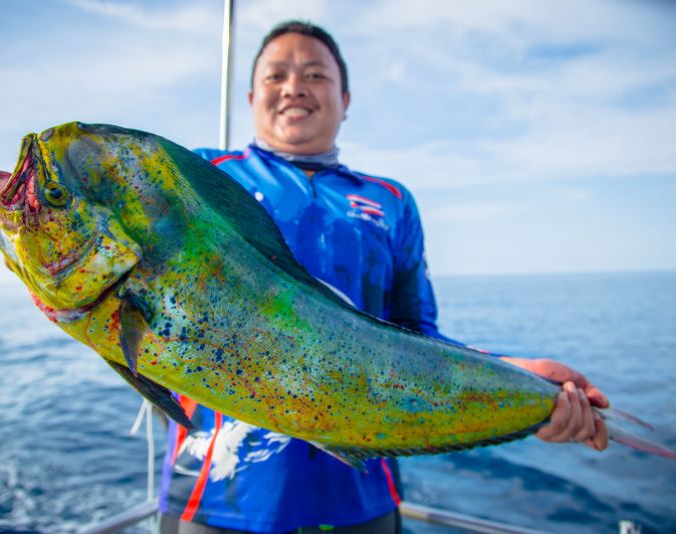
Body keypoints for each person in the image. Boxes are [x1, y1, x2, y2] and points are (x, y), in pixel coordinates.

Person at [159, 20, 610, 534]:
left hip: (364, 497)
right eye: (275, 75)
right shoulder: (202, 178)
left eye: (315, 74)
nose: (293, 86)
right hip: (216, 499)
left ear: (346, 100)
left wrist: (523, 379)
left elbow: (420, 341)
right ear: (250, 96)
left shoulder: (390, 201)